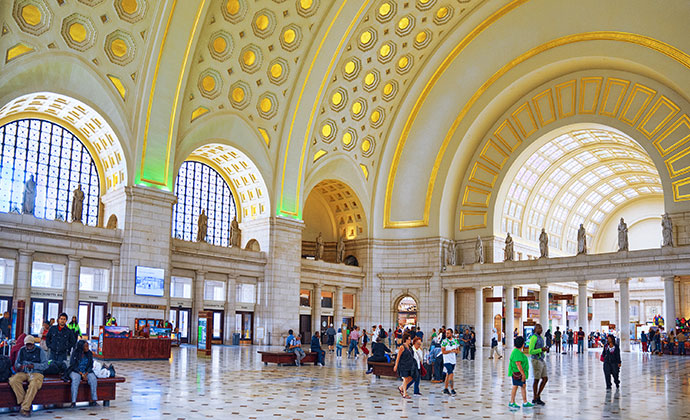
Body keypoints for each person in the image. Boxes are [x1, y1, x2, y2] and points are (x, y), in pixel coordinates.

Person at [9, 335, 48, 417]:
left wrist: (34, 366)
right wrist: (19, 366)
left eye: (30, 344)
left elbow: (45, 365)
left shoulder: (40, 351)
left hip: (36, 372)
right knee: (13, 380)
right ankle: (25, 403)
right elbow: (16, 363)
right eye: (27, 345)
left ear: (34, 344)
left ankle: (25, 408)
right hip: (24, 372)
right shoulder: (22, 350)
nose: (29, 346)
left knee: (34, 384)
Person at [66, 340, 98, 406]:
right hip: (76, 371)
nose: (87, 348)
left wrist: (86, 373)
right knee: (75, 380)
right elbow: (73, 365)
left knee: (93, 379)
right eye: (86, 346)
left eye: (88, 346)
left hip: (86, 371)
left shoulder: (89, 353)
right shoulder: (75, 353)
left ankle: (94, 399)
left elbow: (90, 365)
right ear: (81, 347)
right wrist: (81, 374)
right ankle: (73, 401)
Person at [508, 336, 534, 410]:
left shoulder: (517, 351)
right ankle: (512, 402)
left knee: (523, 386)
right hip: (517, 373)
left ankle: (525, 402)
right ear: (522, 344)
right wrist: (523, 374)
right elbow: (518, 364)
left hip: (519, 373)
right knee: (515, 386)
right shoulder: (516, 352)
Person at [528, 323, 549, 406]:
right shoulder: (533, 337)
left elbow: (541, 349)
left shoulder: (541, 338)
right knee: (536, 379)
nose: (541, 329)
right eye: (539, 328)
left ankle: (538, 395)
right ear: (535, 329)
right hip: (536, 360)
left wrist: (545, 350)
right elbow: (531, 351)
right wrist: (541, 349)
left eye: (541, 328)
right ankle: (535, 397)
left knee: (545, 378)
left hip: (541, 359)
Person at [393, 333, 415, 399]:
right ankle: (405, 393)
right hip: (403, 365)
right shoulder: (402, 347)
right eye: (409, 339)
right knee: (405, 378)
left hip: (409, 365)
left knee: (411, 377)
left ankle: (401, 387)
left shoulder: (410, 347)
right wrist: (396, 365)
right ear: (405, 339)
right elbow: (398, 357)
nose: (410, 340)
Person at [441, 328, 459, 395]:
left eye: (448, 333)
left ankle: (445, 388)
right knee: (451, 374)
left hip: (453, 360)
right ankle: (452, 389)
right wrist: (450, 351)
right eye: (446, 333)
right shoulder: (444, 341)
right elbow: (443, 351)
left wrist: (455, 351)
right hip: (447, 360)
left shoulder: (455, 341)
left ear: (451, 334)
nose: (447, 334)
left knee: (448, 375)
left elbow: (458, 350)